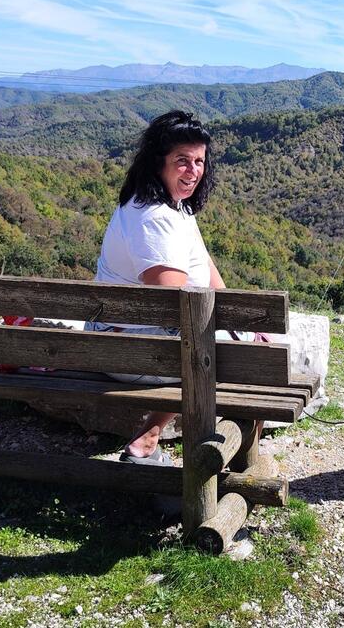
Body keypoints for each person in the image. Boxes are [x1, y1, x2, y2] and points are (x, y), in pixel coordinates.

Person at [90, 110, 249, 467]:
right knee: (227, 358)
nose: (192, 171)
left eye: (199, 161)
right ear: (158, 162)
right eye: (182, 161)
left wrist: (241, 324)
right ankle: (148, 440)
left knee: (242, 347)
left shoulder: (172, 205)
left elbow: (207, 270)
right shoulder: (154, 220)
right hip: (127, 347)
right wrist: (235, 336)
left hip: (127, 334)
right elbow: (174, 308)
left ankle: (152, 438)